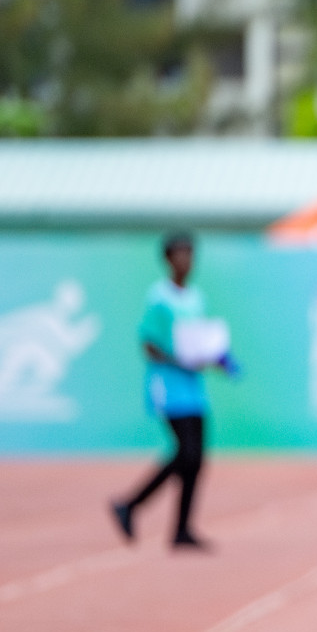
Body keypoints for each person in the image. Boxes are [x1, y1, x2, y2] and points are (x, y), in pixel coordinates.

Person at [110, 232, 235, 549]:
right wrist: (179, 359)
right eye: (180, 254)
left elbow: (199, 341)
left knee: (196, 459)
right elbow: (148, 344)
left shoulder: (196, 298)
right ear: (167, 259)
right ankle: (131, 503)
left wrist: (216, 357)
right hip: (168, 386)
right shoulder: (159, 298)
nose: (186, 261)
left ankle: (181, 529)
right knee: (186, 452)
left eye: (190, 254)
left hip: (194, 387)